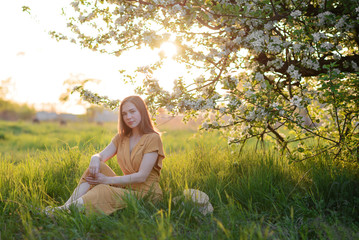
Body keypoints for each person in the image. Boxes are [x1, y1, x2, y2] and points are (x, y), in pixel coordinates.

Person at [48, 95, 165, 215]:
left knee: (103, 189)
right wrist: (95, 158)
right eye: (124, 114)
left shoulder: (153, 138)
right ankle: (65, 207)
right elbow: (101, 156)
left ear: (142, 111)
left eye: (132, 111)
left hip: (146, 194)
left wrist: (107, 180)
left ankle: (61, 212)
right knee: (94, 169)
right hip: (127, 188)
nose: (128, 117)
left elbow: (141, 176)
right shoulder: (121, 137)